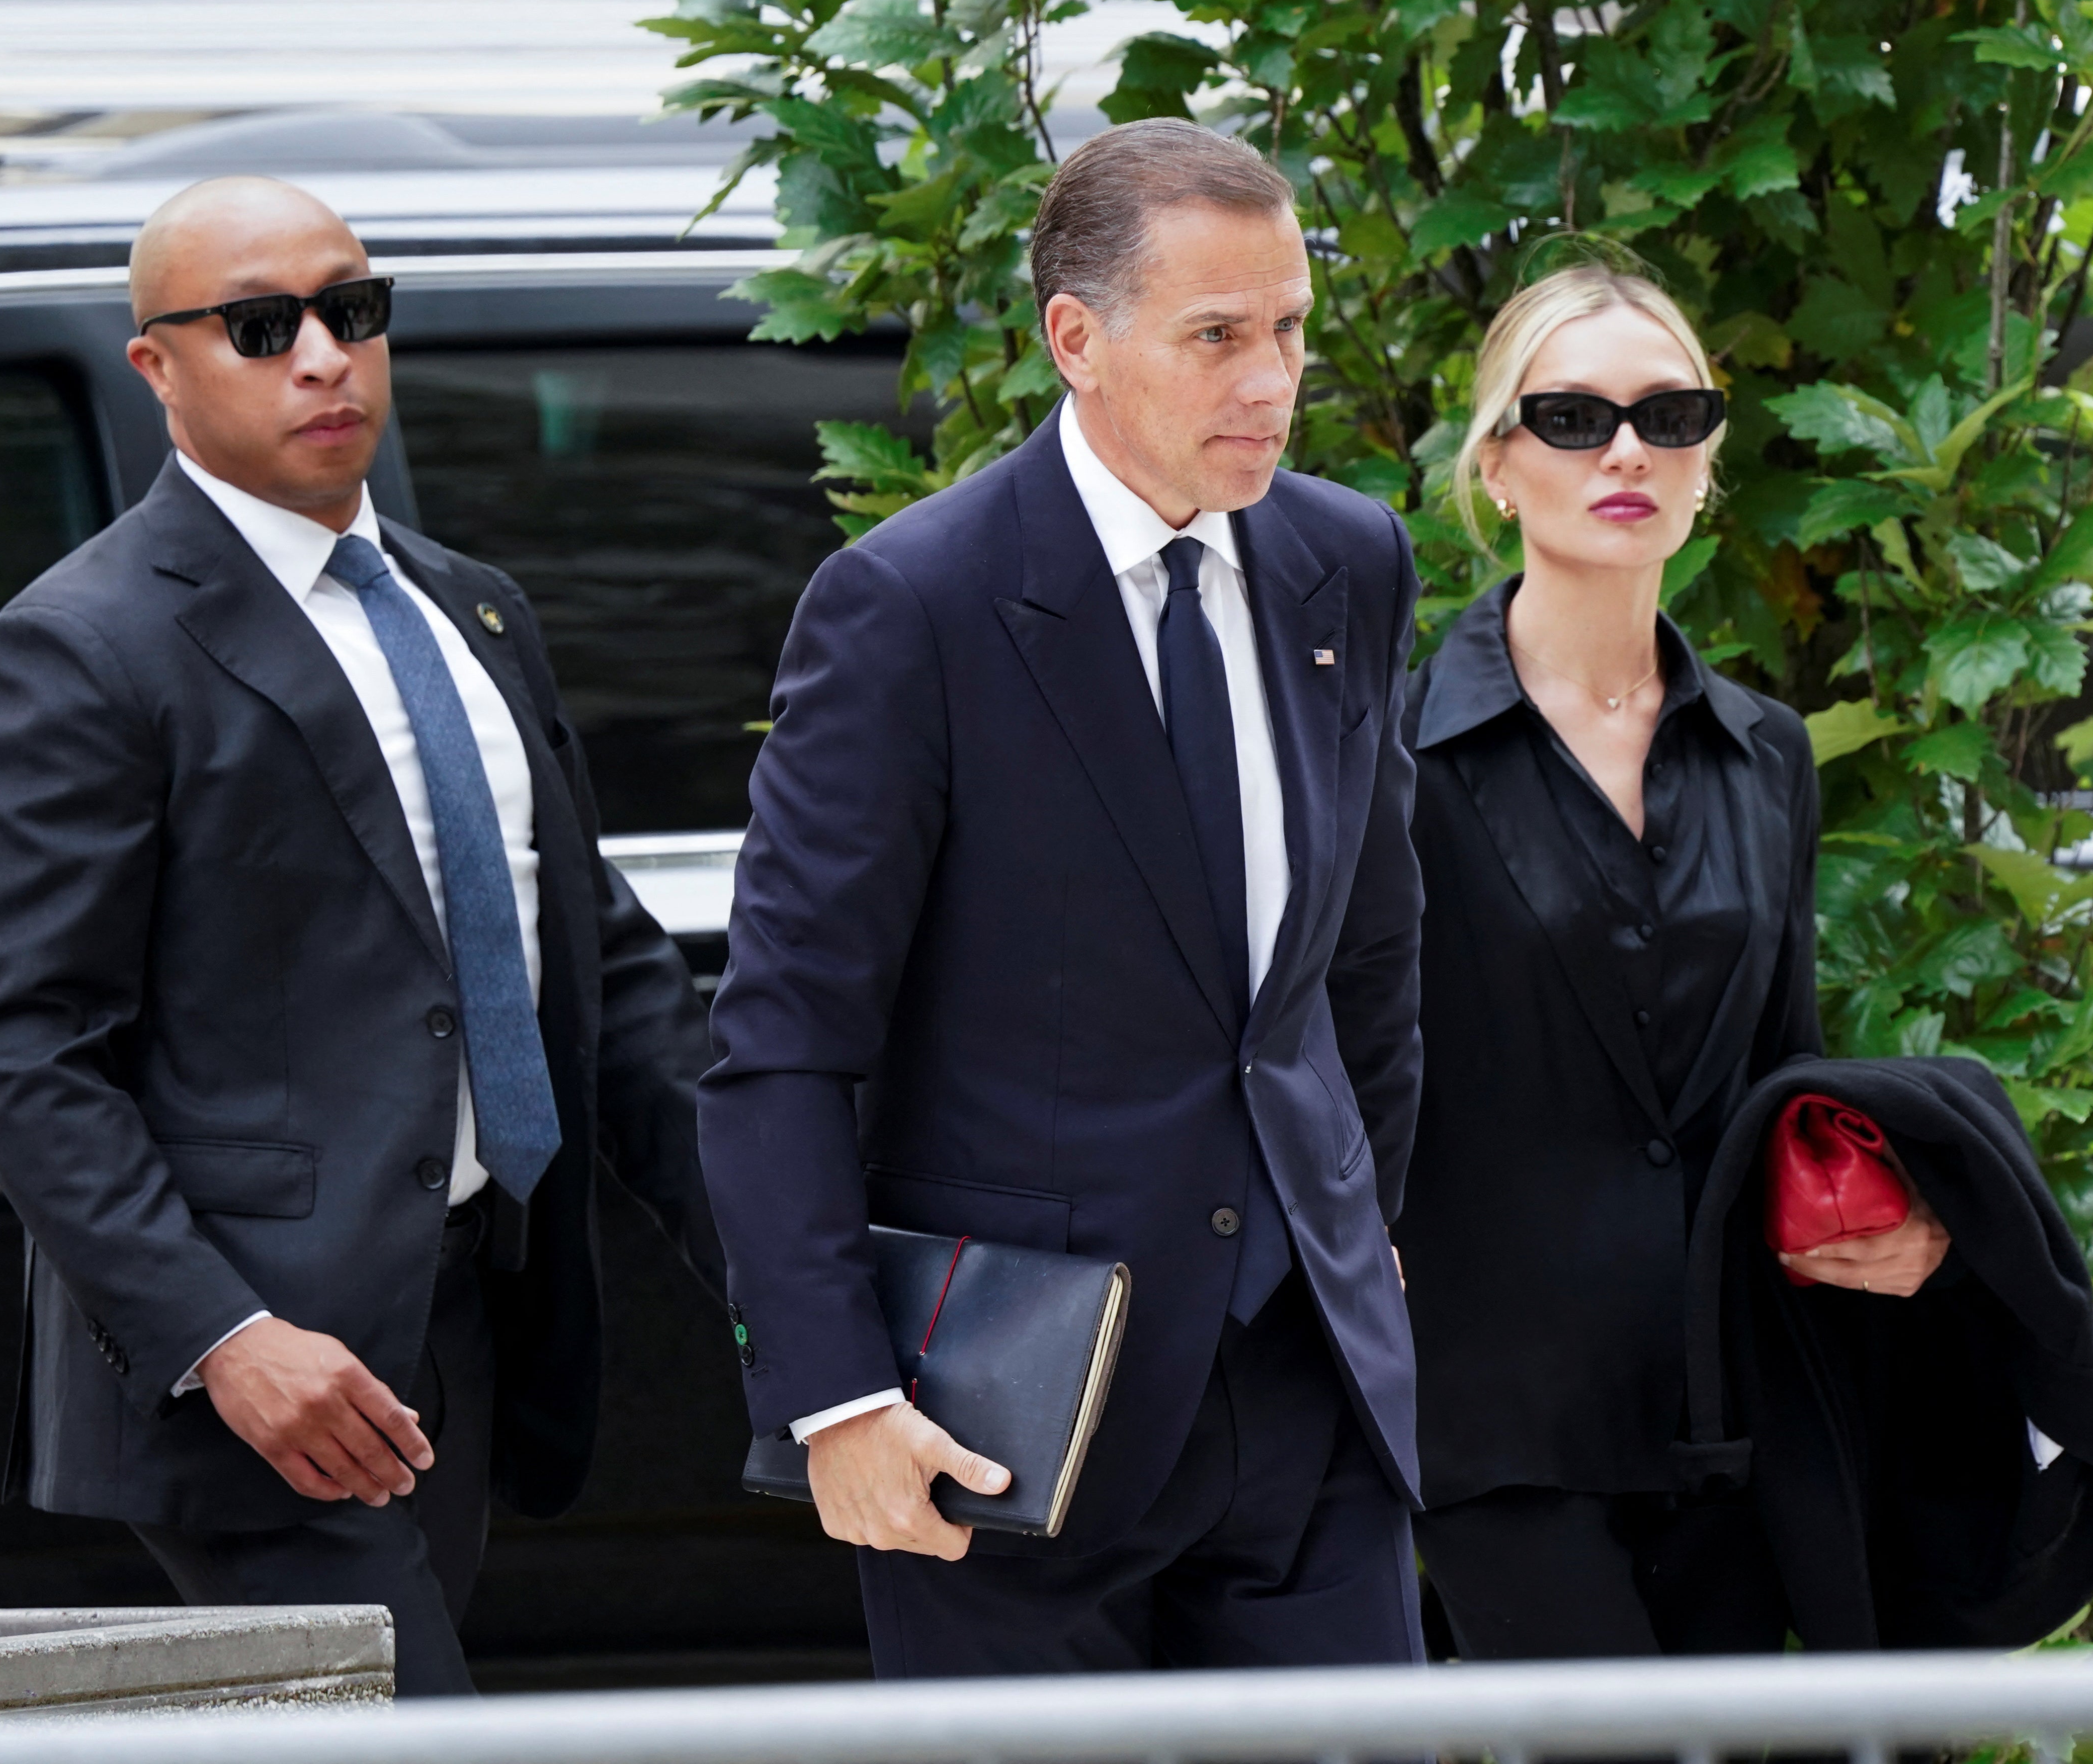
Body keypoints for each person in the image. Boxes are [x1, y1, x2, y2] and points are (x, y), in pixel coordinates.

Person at [0, 177, 723, 1698]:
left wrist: (786, 1270)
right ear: (155, 366)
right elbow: (23, 1051)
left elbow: (605, 975)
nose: (320, 355)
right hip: (257, 1372)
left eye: (352, 310)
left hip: (462, 1322)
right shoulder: (79, 649)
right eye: (258, 325)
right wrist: (226, 1336)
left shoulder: (469, 607)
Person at [698, 118, 1426, 1677]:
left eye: (1292, 328)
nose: (1271, 379)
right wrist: (838, 1399)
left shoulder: (1347, 563)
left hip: (1306, 1395)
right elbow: (781, 1044)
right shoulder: (913, 606)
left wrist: (1369, 1233)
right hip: (1011, 1419)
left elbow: (1366, 960)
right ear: (1075, 340)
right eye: (1218, 335)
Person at [1391, 262, 1954, 1658]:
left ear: (1709, 463)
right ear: (1499, 462)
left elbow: (1786, 1070)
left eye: (1670, 413)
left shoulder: (1767, 753)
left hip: (1734, 1406)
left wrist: (1890, 1207)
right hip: (1491, 1420)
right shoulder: (1387, 760)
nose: (1627, 448)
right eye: (1573, 416)